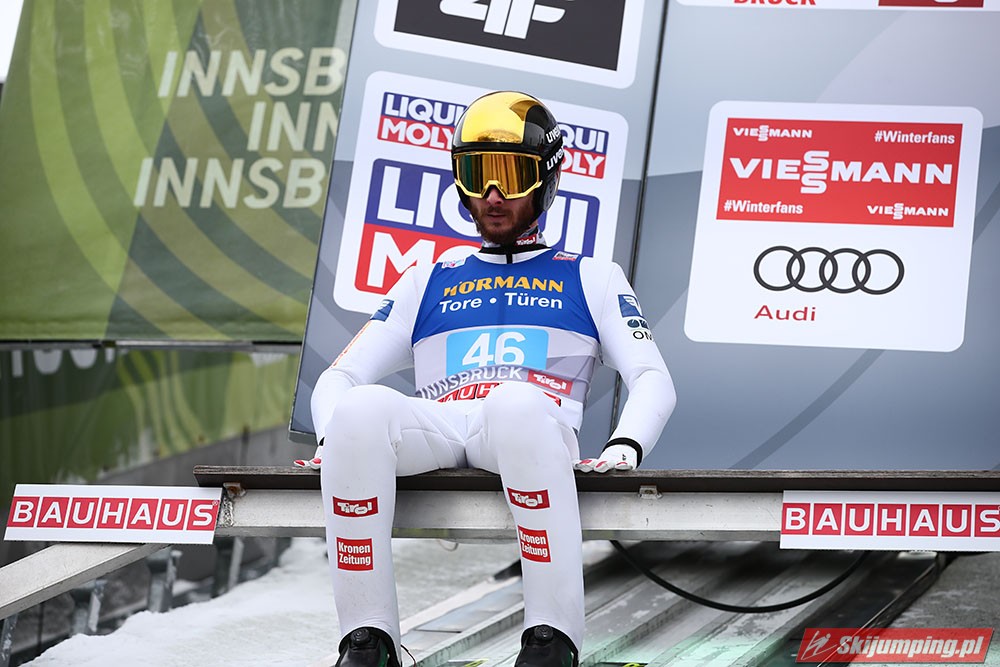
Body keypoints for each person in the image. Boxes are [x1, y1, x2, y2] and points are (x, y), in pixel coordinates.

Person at [297, 91, 677, 667]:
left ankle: (551, 641)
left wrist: (626, 445)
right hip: (444, 425)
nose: (492, 195)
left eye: (511, 175)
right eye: (477, 175)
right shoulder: (427, 277)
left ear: (546, 179)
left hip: (527, 428)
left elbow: (652, 377)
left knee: (515, 403)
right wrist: (332, 438)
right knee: (357, 410)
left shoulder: (592, 277)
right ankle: (367, 644)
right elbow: (340, 377)